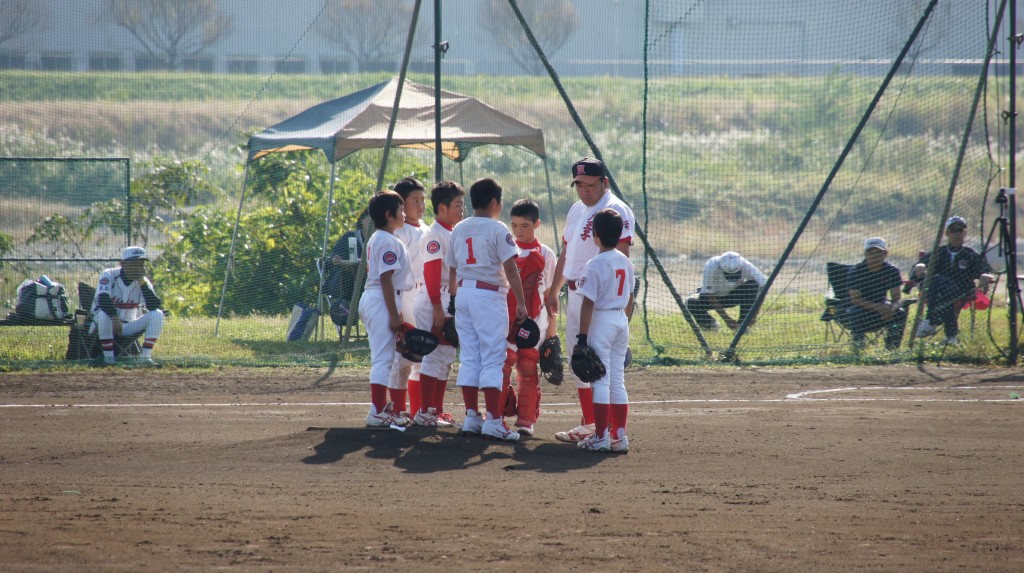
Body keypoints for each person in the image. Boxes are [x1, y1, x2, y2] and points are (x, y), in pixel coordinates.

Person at [543, 157, 636, 445]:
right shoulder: (576, 209)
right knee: (581, 363)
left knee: (595, 367)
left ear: (604, 183)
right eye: (579, 185)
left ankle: (599, 430)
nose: (584, 190)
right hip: (577, 293)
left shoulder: (616, 209)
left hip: (596, 301)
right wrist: (554, 289)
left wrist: (622, 315)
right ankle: (595, 426)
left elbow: (621, 259)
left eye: (590, 185)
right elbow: (567, 252)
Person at [446, 178, 528, 442]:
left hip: (463, 294)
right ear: (494, 202)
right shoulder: (497, 228)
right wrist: (521, 302)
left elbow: (452, 268)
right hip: (488, 295)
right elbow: (511, 268)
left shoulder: (459, 228)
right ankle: (493, 421)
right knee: (493, 357)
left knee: (470, 356)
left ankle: (472, 417)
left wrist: (453, 298)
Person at [573, 209, 635, 453]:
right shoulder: (626, 261)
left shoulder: (595, 263)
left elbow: (588, 303)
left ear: (595, 235)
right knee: (617, 380)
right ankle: (618, 436)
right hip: (621, 319)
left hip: (602, 320)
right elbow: (630, 297)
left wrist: (582, 337)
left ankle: (600, 437)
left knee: (600, 380)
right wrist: (624, 324)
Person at [410, 181, 466, 427]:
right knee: (434, 356)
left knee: (445, 358)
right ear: (442, 208)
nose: (462, 209)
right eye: (457, 205)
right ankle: (425, 411)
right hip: (434, 298)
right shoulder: (435, 235)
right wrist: (436, 307)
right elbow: (431, 272)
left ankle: (436, 410)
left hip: (446, 298)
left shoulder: (451, 232)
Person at [500, 199, 557, 437]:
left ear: (537, 224)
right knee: (503, 363)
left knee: (527, 364)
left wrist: (552, 331)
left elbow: (550, 295)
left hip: (536, 319)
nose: (518, 231)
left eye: (525, 226)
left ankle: (526, 419)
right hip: (508, 317)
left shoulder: (546, 253)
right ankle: (497, 415)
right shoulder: (506, 248)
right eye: (514, 225)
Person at [359, 190, 413, 428]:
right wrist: (393, 315)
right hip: (380, 299)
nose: (404, 214)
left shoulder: (381, 237)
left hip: (379, 299)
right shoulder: (386, 240)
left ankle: (380, 408)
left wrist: (396, 312)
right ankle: (377, 411)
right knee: (383, 359)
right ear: (389, 215)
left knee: (383, 357)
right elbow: (386, 279)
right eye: (401, 210)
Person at [913, 216, 995, 345]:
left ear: (965, 232)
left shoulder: (970, 254)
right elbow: (915, 271)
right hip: (937, 292)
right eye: (953, 230)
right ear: (947, 233)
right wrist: (919, 266)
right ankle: (951, 337)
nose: (957, 234)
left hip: (961, 290)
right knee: (941, 286)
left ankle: (931, 321)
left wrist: (985, 275)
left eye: (960, 230)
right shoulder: (938, 252)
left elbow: (986, 270)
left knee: (940, 283)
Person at [388, 177, 428, 418]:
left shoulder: (427, 229)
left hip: (424, 296)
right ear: (401, 204)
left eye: (423, 200)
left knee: (422, 355)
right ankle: (397, 409)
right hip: (405, 294)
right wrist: (397, 309)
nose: (421, 205)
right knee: (402, 357)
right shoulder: (398, 232)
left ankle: (419, 411)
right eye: (415, 201)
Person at [91, 246, 165, 366]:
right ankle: (109, 359)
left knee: (157, 314)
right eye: (135, 264)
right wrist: (115, 318)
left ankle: (145, 358)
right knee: (104, 314)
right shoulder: (109, 274)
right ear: (123, 264)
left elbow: (153, 306)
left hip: (128, 326)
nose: (139, 268)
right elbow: (103, 299)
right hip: (104, 323)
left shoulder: (143, 281)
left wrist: (142, 282)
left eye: (141, 264)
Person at [844, 237, 907, 350]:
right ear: (865, 254)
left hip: (883, 309)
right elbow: (855, 299)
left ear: (885, 254)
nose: (874, 256)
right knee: (854, 312)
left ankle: (892, 348)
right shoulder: (856, 271)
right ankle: (858, 346)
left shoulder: (892, 270)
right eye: (871, 253)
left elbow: (897, 298)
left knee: (900, 313)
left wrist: (891, 309)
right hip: (859, 308)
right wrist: (879, 308)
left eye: (878, 253)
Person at [685, 251, 767, 331]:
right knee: (690, 302)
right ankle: (711, 325)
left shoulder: (745, 264)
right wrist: (727, 319)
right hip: (713, 297)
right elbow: (709, 295)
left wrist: (754, 315)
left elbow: (764, 285)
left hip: (733, 296)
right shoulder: (711, 266)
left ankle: (743, 325)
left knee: (752, 285)